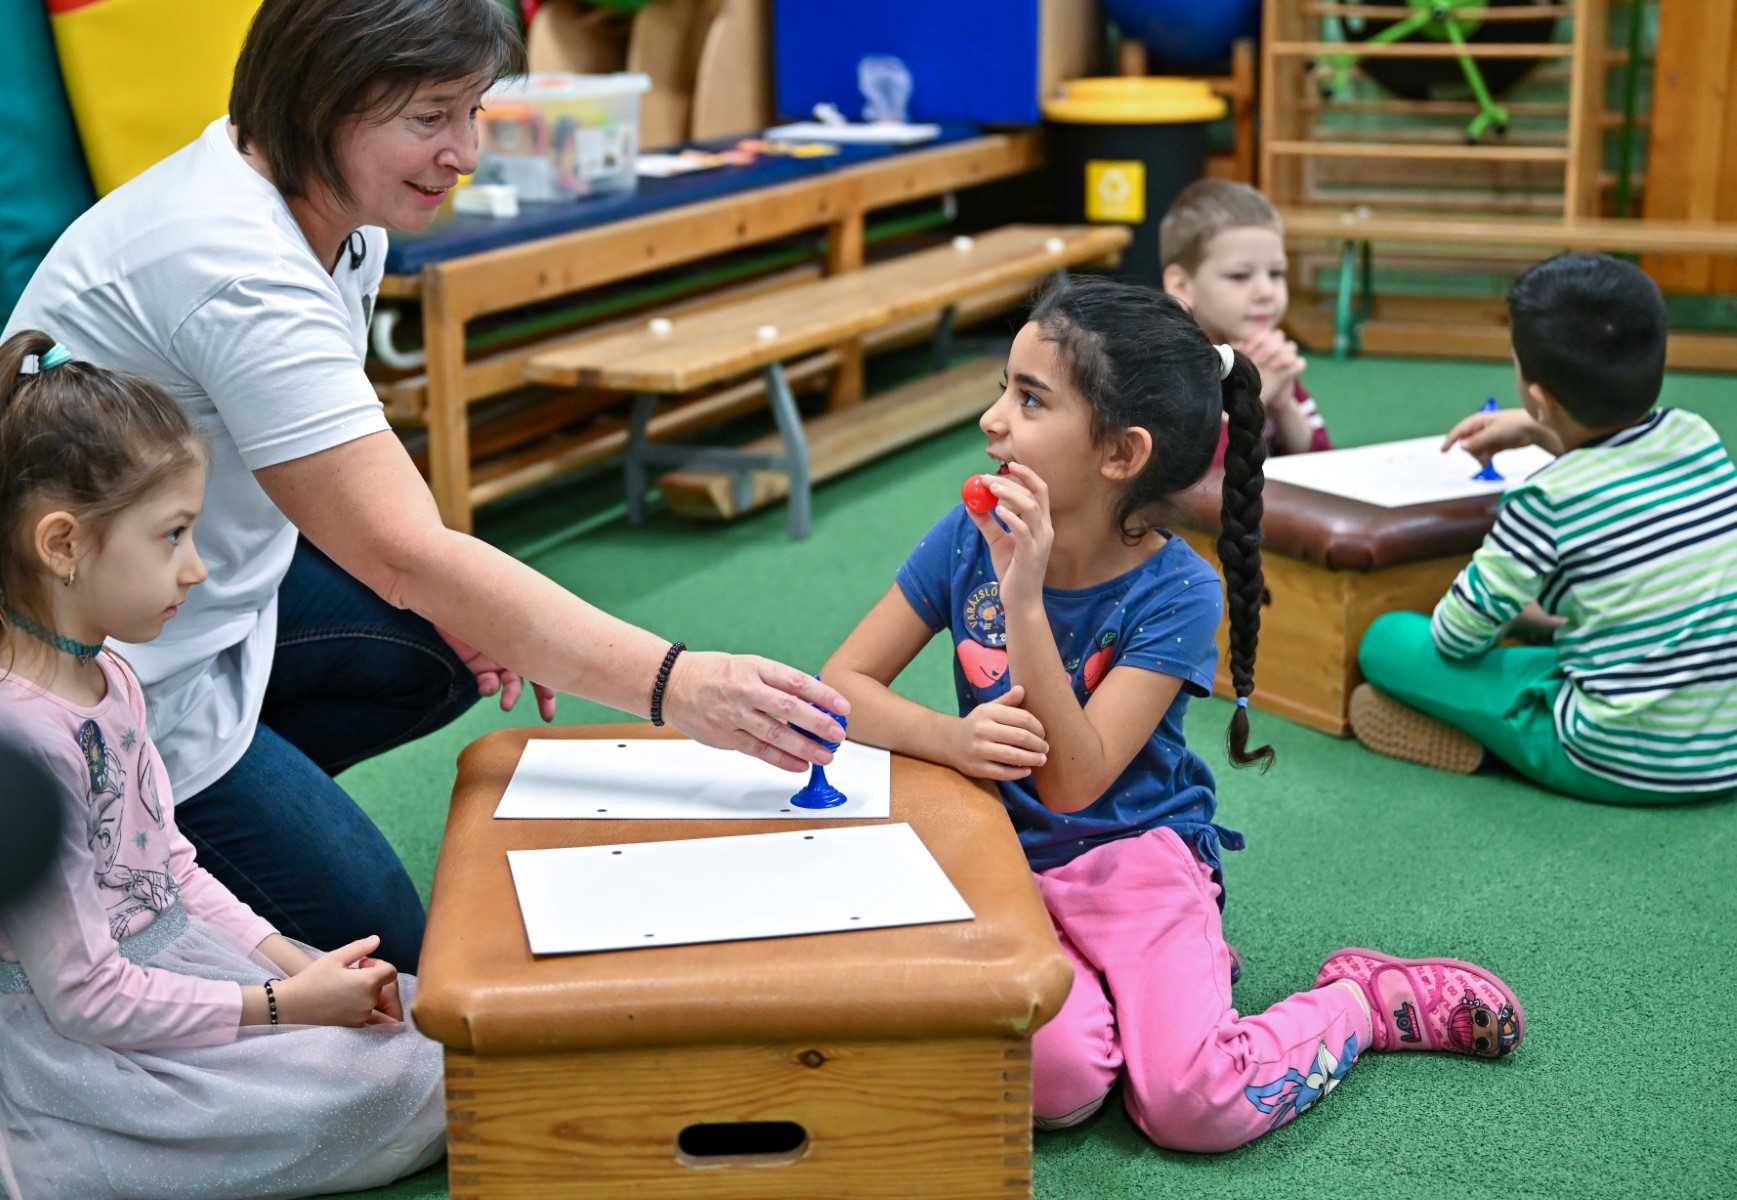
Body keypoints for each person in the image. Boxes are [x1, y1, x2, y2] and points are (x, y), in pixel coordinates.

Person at [3, 0, 848, 970]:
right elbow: (404, 550)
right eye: (431, 118)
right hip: (97, 671)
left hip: (194, 599)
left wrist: (454, 596)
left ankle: (219, 812)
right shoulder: (235, 264)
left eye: (474, 112)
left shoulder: (328, 210)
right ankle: (126, 831)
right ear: (322, 103)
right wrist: (679, 684)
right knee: (399, 961)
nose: (465, 153)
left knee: (444, 644)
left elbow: (353, 498)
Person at [820, 277, 1523, 1151]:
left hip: (1135, 857)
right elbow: (843, 682)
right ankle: (1146, 999)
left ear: (1121, 455)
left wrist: (1025, 602)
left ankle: (1361, 1003)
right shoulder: (965, 534)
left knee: (1199, 1109)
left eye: (1029, 399)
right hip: (1000, 854)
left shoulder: (1178, 590)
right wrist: (951, 739)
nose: (991, 419)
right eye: (1003, 387)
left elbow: (1075, 783)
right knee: (1059, 1086)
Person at [0, 330, 444, 1200]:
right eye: (171, 536)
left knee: (433, 1016)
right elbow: (86, 998)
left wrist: (289, 958)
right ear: (62, 545)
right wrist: (284, 1007)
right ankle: (60, 1156)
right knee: (403, 1080)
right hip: (85, 1049)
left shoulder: (111, 674)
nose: (196, 568)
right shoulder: (26, 739)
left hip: (172, 971)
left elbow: (168, 866)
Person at [1351, 253, 1737, 803]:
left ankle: (1491, 745)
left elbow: (1455, 639)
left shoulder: (1547, 498)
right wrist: (1539, 429)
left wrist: (1519, 615)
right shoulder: (1699, 437)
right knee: (1564, 644)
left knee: (1384, 641)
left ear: (1539, 395)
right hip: (1724, 747)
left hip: (1618, 759)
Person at [1159, 179, 1330, 467]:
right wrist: (1249, 401)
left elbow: (1327, 469)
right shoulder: (1165, 369)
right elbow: (1196, 491)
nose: (1266, 292)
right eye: (1240, 276)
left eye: (1276, 273)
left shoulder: (1262, 355)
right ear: (1181, 284)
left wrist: (1284, 408)